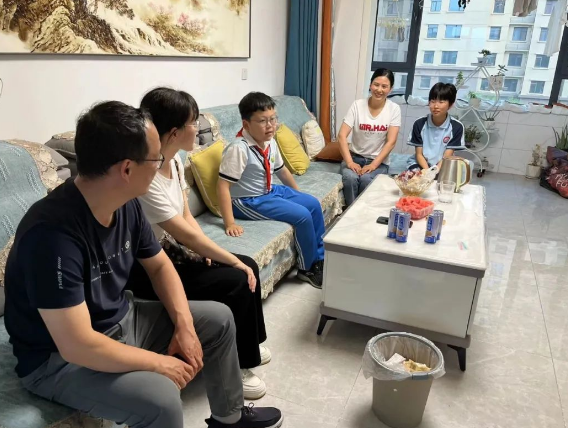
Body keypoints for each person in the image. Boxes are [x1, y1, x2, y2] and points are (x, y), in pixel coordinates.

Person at [3, 101, 282, 428]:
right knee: (160, 399)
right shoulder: (51, 235)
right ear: (126, 169)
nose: (161, 164)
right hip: (58, 360)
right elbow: (77, 345)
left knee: (219, 318)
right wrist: (159, 363)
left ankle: (229, 418)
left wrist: (184, 325)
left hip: (123, 320)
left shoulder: (126, 204)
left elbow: (160, 266)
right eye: (155, 158)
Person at [128, 87, 269, 400]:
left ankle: (251, 343)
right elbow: (183, 233)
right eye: (194, 122)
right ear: (175, 132)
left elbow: (186, 216)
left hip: (176, 253)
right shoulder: (146, 177)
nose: (199, 128)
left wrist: (207, 252)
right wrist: (226, 258)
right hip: (151, 267)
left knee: (249, 264)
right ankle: (241, 365)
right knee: (236, 277)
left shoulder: (176, 162)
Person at [216, 92, 325, 289]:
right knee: (302, 216)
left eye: (273, 119)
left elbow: (281, 171)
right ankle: (307, 269)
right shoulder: (239, 149)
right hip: (247, 200)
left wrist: (298, 195)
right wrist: (229, 222)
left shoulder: (270, 141)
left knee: (312, 204)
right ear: (246, 124)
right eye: (263, 121)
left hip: (269, 190)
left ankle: (319, 258)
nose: (270, 125)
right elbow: (223, 186)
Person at [338, 68, 401, 207]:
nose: (379, 89)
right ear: (370, 85)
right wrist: (349, 162)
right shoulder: (357, 105)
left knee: (367, 179)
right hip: (355, 157)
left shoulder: (394, 109)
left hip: (378, 161)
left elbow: (391, 142)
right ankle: (351, 212)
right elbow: (342, 136)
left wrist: (373, 165)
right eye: (376, 85)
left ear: (390, 89)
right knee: (350, 178)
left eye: (384, 86)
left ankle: (362, 211)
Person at [407, 82, 465, 171]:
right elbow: (419, 154)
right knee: (414, 176)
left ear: (450, 105)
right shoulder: (419, 124)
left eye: (441, 102)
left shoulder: (457, 127)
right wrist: (427, 172)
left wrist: (434, 172)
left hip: (443, 164)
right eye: (433, 101)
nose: (436, 106)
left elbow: (447, 156)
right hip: (420, 163)